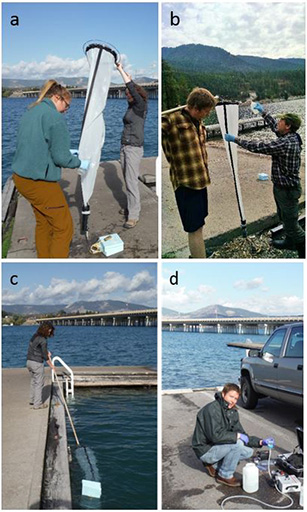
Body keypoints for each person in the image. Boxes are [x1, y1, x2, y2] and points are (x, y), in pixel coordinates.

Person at [12, 79, 90, 258]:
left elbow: (35, 143)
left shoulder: (32, 111)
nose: (66, 111)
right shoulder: (54, 117)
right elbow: (61, 158)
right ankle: (57, 266)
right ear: (57, 98)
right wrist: (79, 163)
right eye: (66, 106)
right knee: (64, 228)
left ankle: (44, 259)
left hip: (21, 178)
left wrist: (66, 152)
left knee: (44, 223)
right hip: (39, 181)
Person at [224, 103, 305, 258]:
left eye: (281, 121)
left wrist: (235, 139)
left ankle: (303, 250)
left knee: (292, 224)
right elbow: (275, 127)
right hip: (283, 188)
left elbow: (259, 145)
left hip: (287, 191)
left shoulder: (285, 143)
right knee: (283, 216)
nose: (278, 122)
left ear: (287, 126)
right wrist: (263, 113)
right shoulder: (290, 136)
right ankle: (289, 241)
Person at [162, 88, 217, 258]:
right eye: (205, 112)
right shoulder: (171, 120)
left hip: (201, 181)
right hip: (186, 184)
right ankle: (200, 261)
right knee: (194, 228)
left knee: (200, 224)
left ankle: (198, 251)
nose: (206, 116)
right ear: (194, 107)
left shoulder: (198, 122)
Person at [192, 383, 274, 487]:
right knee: (237, 444)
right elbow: (215, 436)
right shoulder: (212, 409)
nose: (233, 401)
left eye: (235, 398)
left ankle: (214, 465)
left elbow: (243, 434)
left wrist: (260, 442)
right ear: (223, 394)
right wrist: (237, 436)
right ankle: (224, 475)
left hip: (217, 446)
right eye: (231, 396)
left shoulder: (232, 411)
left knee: (248, 452)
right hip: (205, 449)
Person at [116, 62, 148, 229]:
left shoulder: (140, 106)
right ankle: (131, 207)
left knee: (131, 181)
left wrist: (120, 70)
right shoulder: (131, 108)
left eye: (130, 93)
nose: (128, 95)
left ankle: (134, 215)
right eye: (127, 93)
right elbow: (130, 86)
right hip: (124, 146)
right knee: (127, 179)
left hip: (134, 147)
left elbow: (131, 86)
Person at [26, 321, 56, 410]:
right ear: (47, 330)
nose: (50, 333)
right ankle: (37, 404)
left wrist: (46, 352)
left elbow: (36, 348)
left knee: (34, 381)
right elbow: (44, 355)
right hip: (37, 363)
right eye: (50, 331)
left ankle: (32, 400)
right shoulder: (43, 340)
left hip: (29, 362)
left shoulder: (34, 336)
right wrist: (51, 366)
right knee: (39, 383)